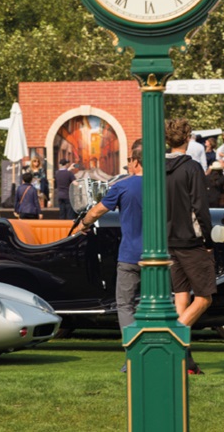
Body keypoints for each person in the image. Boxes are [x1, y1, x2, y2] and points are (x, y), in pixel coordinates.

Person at [78, 140, 143, 361]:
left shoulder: (123, 186)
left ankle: (133, 356)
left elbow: (97, 211)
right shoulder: (164, 185)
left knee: (125, 305)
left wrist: (84, 224)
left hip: (130, 255)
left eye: (129, 161)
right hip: (161, 257)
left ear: (135, 161)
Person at [165, 118, 214, 375]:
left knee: (181, 298)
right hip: (191, 241)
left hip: (167, 241)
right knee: (205, 297)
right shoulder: (192, 168)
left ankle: (186, 363)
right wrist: (208, 240)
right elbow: (200, 208)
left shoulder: (158, 168)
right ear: (188, 138)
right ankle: (172, 340)